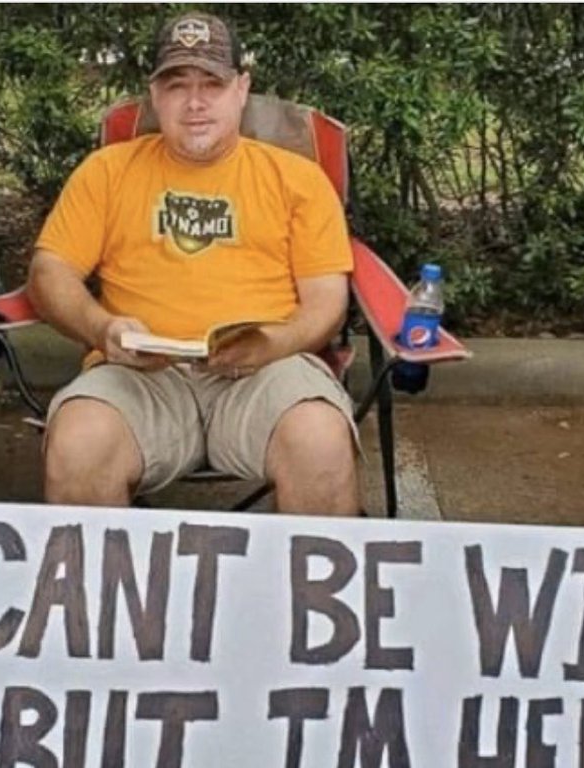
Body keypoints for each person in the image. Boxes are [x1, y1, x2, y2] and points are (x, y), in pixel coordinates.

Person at [27, 11, 361, 516]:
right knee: (79, 443)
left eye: (212, 83)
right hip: (139, 374)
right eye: (177, 85)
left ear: (242, 89)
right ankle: (101, 596)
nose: (196, 102)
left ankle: (297, 596)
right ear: (154, 95)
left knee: (319, 441)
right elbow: (49, 273)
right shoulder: (107, 172)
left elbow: (326, 301)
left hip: (268, 371)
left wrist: (274, 343)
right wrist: (102, 329)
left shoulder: (297, 178)